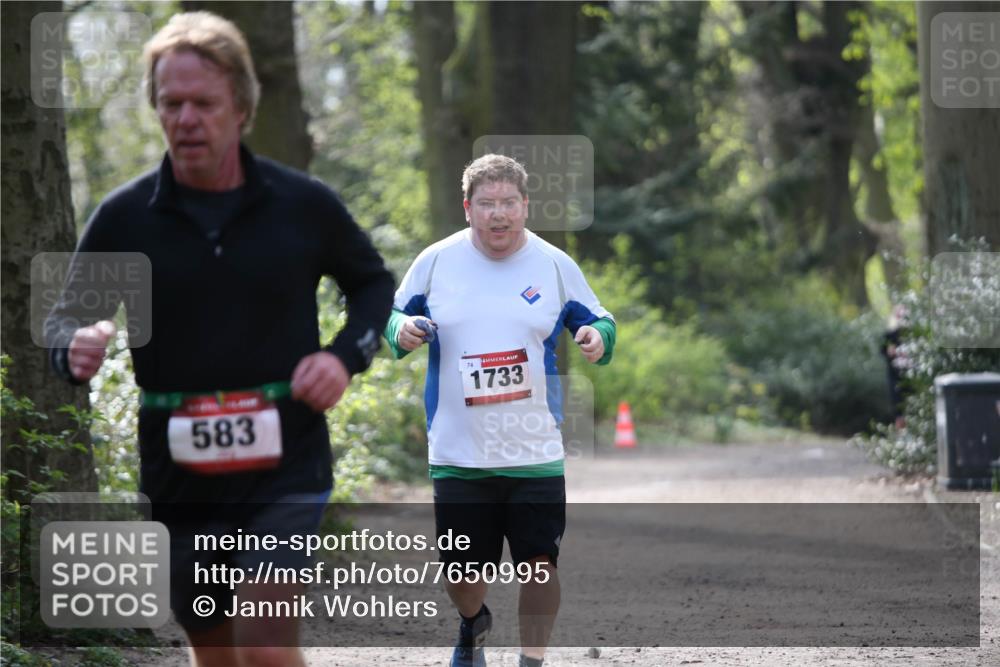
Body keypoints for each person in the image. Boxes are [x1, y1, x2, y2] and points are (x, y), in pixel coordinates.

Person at [45, 12, 394, 667]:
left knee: (263, 639)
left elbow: (374, 286)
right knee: (215, 646)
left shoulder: (303, 205)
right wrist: (79, 344)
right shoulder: (125, 217)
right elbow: (64, 322)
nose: (186, 118)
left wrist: (345, 357)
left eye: (203, 103)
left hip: (286, 460)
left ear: (241, 106)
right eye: (170, 103)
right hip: (180, 475)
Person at [383, 154, 616, 667]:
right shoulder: (436, 261)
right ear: (467, 208)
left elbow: (601, 319)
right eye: (486, 204)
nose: (498, 214)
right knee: (462, 576)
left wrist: (597, 338)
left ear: (525, 206)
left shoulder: (554, 264)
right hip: (458, 449)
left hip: (533, 446)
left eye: (508, 202)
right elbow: (395, 319)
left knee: (539, 564)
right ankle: (474, 621)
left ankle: (532, 660)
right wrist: (401, 331)